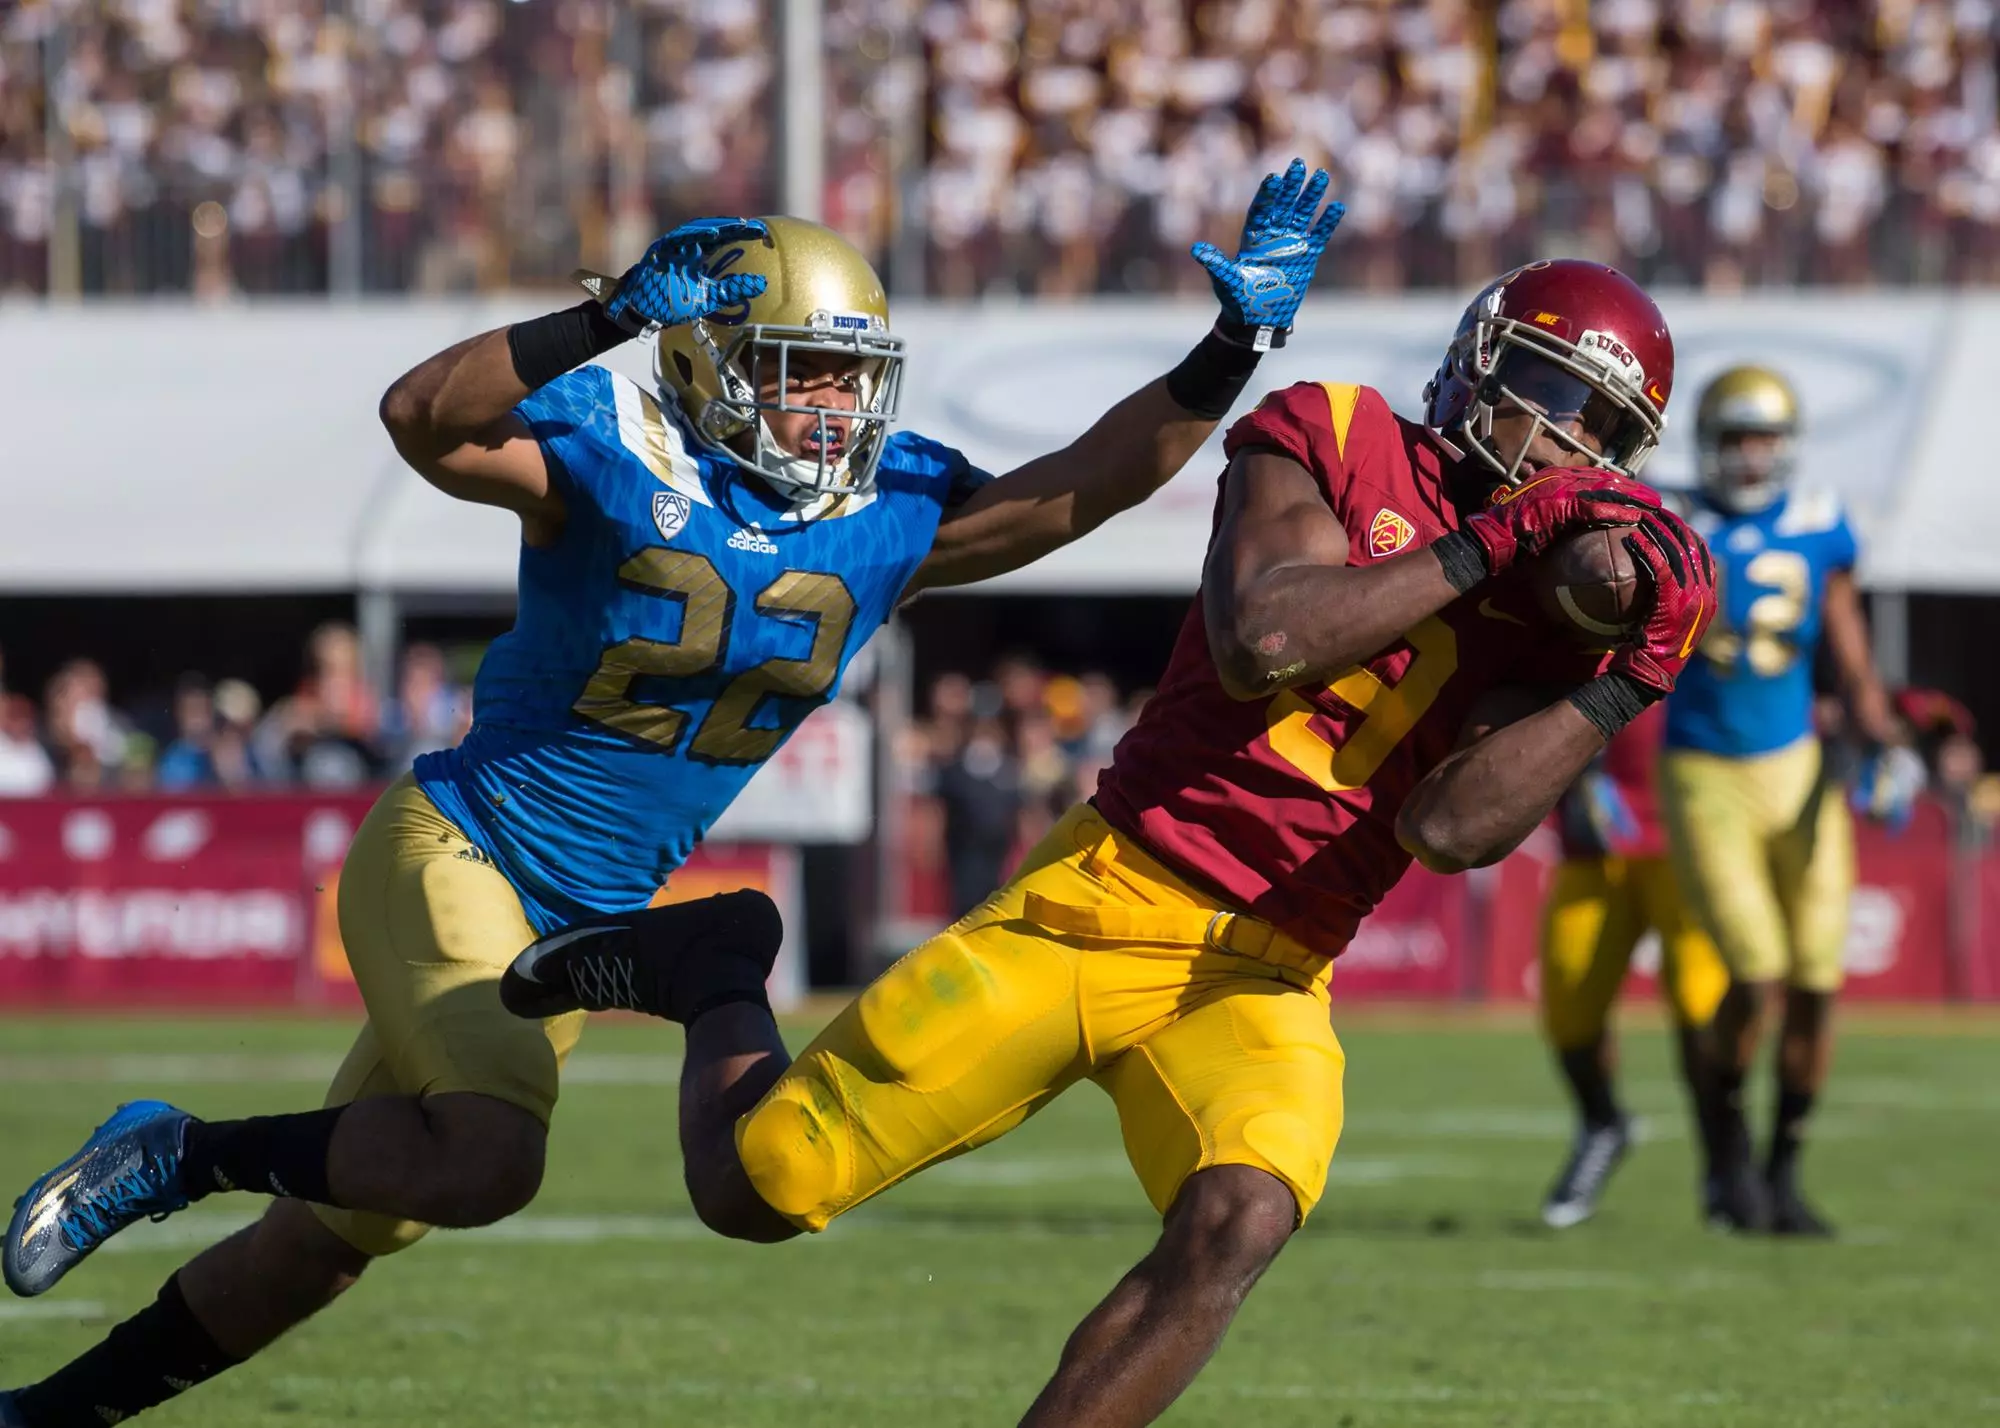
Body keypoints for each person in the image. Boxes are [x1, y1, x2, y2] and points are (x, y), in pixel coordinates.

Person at [0, 162, 1343, 1428]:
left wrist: (1227, 353)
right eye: (801, 372)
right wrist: (606, 314)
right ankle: (172, 1155)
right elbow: (423, 416)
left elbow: (1079, 493)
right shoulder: (622, 448)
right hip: (466, 850)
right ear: (707, 364)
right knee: (486, 1161)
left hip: (585, 926)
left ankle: (45, 1414)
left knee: (333, 1245)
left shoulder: (885, 513)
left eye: (848, 378)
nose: (831, 407)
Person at [503, 259, 1718, 1426]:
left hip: (1273, 965)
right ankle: (716, 972)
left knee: (1239, 1217)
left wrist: (1624, 684)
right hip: (1107, 896)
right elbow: (1267, 642)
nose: (1569, 447)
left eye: (1603, 433)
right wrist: (1481, 549)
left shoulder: (1555, 612)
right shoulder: (1332, 431)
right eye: (1554, 398)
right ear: (1476, 365)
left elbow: (1450, 830)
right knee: (754, 1189)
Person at [1662, 365, 1907, 1237]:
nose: (1750, 455)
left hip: (1799, 770)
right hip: (1703, 772)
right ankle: (1725, 1148)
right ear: (1709, 444)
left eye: (1762, 438)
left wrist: (1880, 733)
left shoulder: (1819, 524)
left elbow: (1848, 645)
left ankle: (1780, 1172)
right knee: (1756, 972)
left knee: (1815, 981)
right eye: (1735, 439)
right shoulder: (1672, 522)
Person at [1535, 701, 1729, 1229]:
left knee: (1700, 1002)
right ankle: (1602, 1122)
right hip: (1597, 829)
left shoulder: (1709, 617)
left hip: (1689, 825)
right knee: (1568, 1000)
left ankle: (1724, 1163)